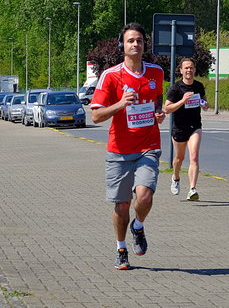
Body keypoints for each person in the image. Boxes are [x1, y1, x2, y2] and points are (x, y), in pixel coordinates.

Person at [91, 22, 166, 270]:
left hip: (148, 145)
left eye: (139, 40)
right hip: (119, 149)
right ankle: (121, 247)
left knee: (144, 195)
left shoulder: (156, 72)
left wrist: (158, 113)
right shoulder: (111, 76)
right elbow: (96, 116)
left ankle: (139, 225)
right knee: (122, 205)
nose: (135, 44)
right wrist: (121, 104)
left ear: (145, 44)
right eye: (131, 40)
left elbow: (156, 101)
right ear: (122, 45)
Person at [164, 57, 210, 201]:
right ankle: (175, 177)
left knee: (194, 156)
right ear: (181, 70)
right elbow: (167, 109)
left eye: (191, 67)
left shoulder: (199, 86)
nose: (189, 70)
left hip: (195, 126)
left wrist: (205, 104)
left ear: (195, 70)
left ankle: (192, 189)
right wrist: (183, 101)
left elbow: (204, 100)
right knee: (179, 158)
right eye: (186, 68)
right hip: (179, 128)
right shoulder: (176, 88)